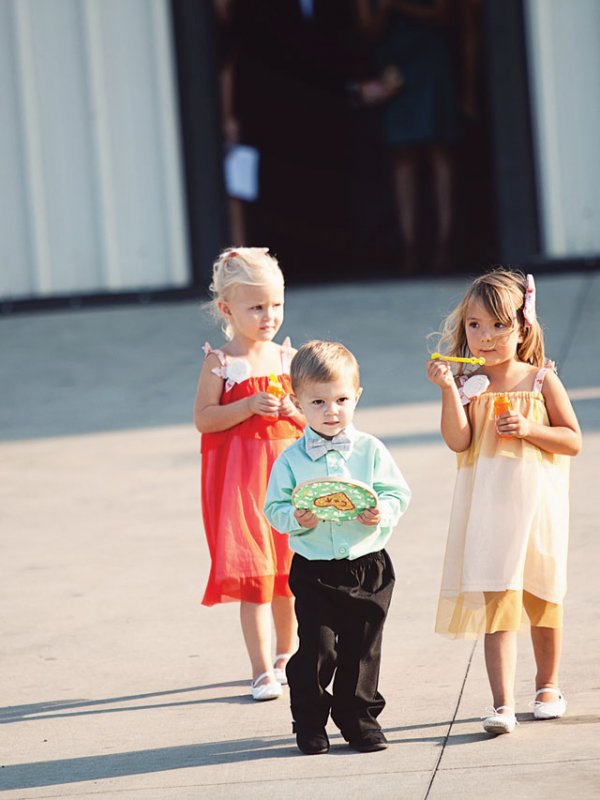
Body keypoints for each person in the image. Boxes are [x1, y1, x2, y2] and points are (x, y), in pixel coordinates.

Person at [426, 268, 582, 734]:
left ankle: (548, 685)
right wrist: (448, 391)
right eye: (475, 325)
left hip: (537, 510)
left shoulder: (540, 381)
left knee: (542, 597)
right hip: (490, 512)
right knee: (497, 603)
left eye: (498, 325)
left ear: (523, 328)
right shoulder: (470, 385)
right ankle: (501, 703)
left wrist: (531, 429)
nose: (486, 336)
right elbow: (457, 441)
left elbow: (572, 440)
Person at [264, 341, 411, 754]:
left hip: (369, 565)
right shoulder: (291, 461)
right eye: (318, 401)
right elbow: (273, 506)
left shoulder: (371, 450)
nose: (332, 410)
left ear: (357, 395)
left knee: (363, 649)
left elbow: (398, 493)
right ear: (298, 402)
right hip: (315, 569)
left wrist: (382, 510)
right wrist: (297, 518)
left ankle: (358, 719)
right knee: (317, 648)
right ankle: (310, 722)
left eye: (342, 399)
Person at [193, 247, 305, 701]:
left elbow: (310, 416)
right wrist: (244, 406)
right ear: (227, 309)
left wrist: (292, 410)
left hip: (286, 475)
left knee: (290, 572)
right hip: (241, 482)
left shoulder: (286, 359)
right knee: (254, 575)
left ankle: (286, 653)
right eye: (256, 307)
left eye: (275, 305)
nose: (268, 316)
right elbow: (204, 418)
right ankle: (260, 670)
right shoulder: (220, 362)